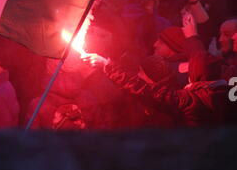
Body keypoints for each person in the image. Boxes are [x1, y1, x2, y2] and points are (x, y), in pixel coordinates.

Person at [81, 50, 233, 127]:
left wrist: (107, 66)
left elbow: (145, 90)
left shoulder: (191, 100)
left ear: (196, 74)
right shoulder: (229, 97)